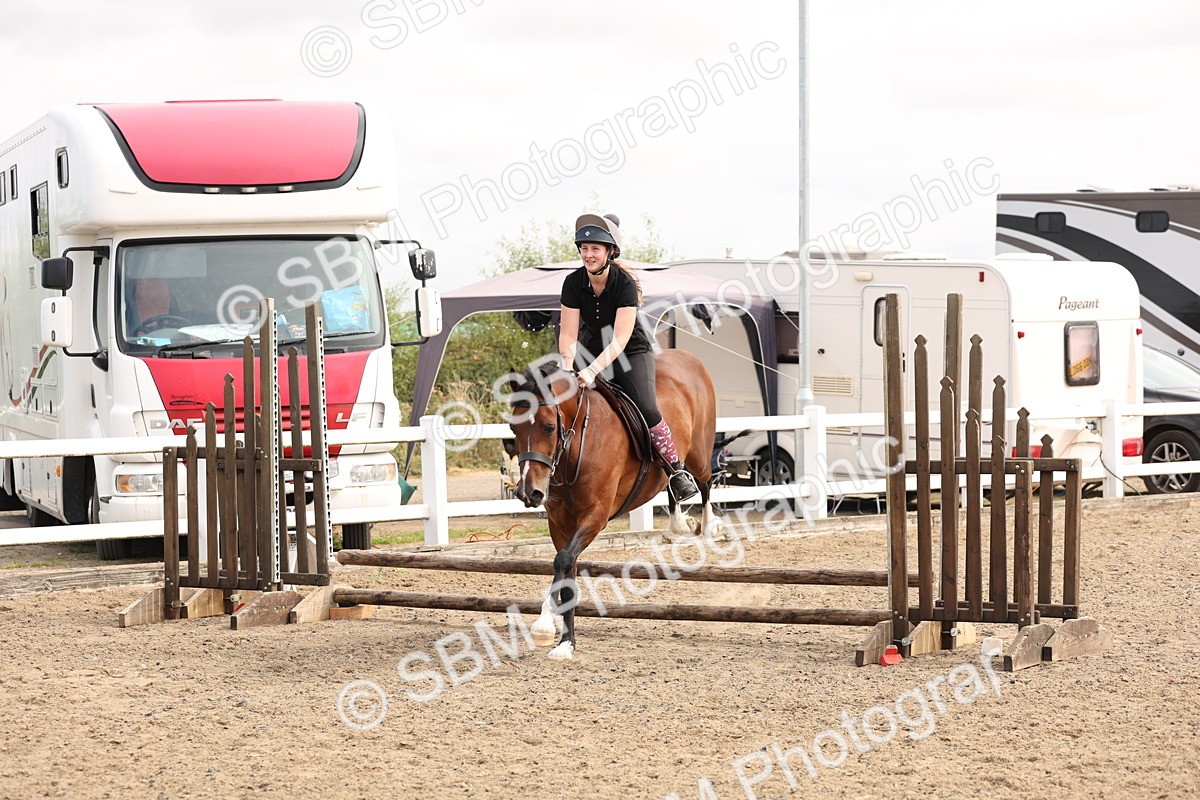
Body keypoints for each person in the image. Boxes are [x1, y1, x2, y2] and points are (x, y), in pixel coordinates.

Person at [558, 213, 700, 501]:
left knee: (647, 407)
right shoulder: (572, 283)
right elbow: (568, 336)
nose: (588, 254)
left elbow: (620, 338)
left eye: (595, 249)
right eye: (584, 249)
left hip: (629, 352)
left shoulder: (623, 284)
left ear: (610, 252)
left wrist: (592, 371)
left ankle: (675, 470)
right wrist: (566, 368)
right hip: (589, 351)